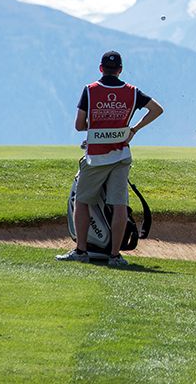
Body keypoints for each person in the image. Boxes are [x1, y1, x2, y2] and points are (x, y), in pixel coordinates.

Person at [56, 51, 164, 266]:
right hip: (122, 155)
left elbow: (79, 125)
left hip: (96, 158)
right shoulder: (132, 92)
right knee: (119, 205)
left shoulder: (90, 91)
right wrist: (133, 129)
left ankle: (81, 251)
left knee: (82, 202)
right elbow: (157, 109)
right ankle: (115, 255)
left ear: (100, 68)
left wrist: (97, 128)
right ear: (120, 70)